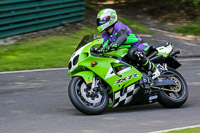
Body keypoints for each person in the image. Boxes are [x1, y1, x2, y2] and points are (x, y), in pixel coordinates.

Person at [96, 8, 161, 80]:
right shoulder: (105, 35)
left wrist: (114, 44)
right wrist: (95, 50)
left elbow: (122, 36)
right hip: (125, 51)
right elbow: (103, 46)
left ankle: (154, 69)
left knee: (133, 52)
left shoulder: (118, 25)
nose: (101, 22)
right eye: (100, 21)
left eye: (104, 20)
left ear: (112, 18)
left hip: (140, 46)